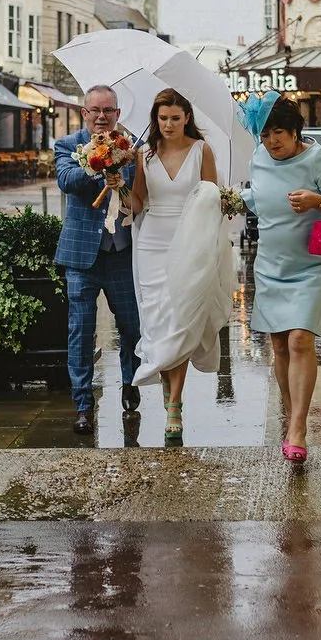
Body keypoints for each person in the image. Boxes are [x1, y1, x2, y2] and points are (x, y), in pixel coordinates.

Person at [240, 95, 321, 463]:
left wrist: (316, 201)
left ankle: (298, 428)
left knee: (299, 340)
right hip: (271, 263)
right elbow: (259, 200)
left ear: (295, 132)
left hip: (310, 265)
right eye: (264, 135)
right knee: (278, 345)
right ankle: (292, 418)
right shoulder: (259, 158)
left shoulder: (317, 158)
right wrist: (234, 199)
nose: (272, 141)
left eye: (278, 132)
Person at [126, 88, 233, 443]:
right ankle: (172, 390)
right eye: (162, 118)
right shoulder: (144, 154)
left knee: (182, 319)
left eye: (175, 117)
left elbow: (211, 198)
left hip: (190, 243)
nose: (168, 124)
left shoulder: (202, 151)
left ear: (187, 117)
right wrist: (118, 187)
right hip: (152, 243)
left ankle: (174, 403)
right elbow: (138, 203)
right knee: (158, 321)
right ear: (155, 120)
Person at [53, 84, 143, 434]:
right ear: (84, 113)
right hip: (81, 256)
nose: (102, 117)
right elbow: (67, 179)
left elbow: (139, 196)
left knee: (132, 327)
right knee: (81, 330)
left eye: (109, 111)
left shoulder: (132, 149)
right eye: (96, 111)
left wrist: (121, 178)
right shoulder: (67, 145)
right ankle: (82, 404)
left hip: (121, 253)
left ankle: (130, 383)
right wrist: (98, 165)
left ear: (118, 115)